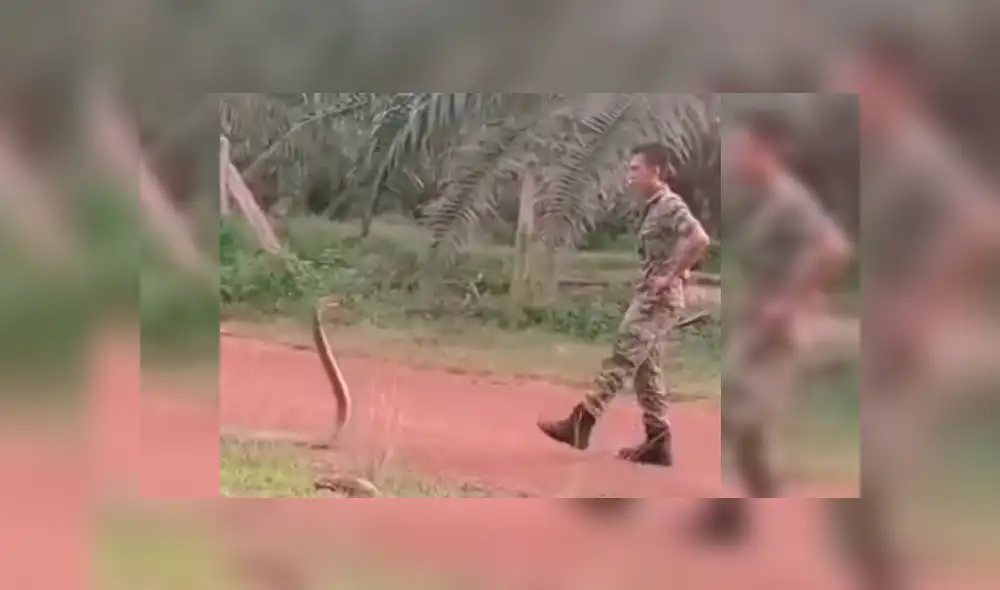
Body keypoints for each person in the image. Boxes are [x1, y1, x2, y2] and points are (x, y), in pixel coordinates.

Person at [823, 28, 1000, 590]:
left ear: (896, 85)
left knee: (869, 472)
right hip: (888, 340)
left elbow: (981, 225)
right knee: (858, 487)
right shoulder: (880, 155)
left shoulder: (917, 150)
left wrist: (925, 307)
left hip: (926, 345)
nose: (846, 87)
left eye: (860, 79)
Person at [695, 107, 852, 541]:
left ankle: (739, 512)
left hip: (780, 325)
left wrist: (790, 300)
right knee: (738, 407)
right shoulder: (759, 196)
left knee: (747, 409)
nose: (740, 156)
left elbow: (834, 249)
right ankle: (753, 500)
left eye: (748, 149)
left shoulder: (788, 198)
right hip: (758, 318)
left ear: (774, 151)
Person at [536, 142, 710, 467]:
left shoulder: (670, 205)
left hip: (656, 300)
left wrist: (670, 276)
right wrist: (680, 269)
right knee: (646, 370)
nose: (629, 176)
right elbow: (681, 246)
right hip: (653, 296)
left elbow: (699, 239)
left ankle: (582, 421)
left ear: (655, 171)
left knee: (623, 356)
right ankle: (659, 442)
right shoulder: (655, 207)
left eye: (635, 169)